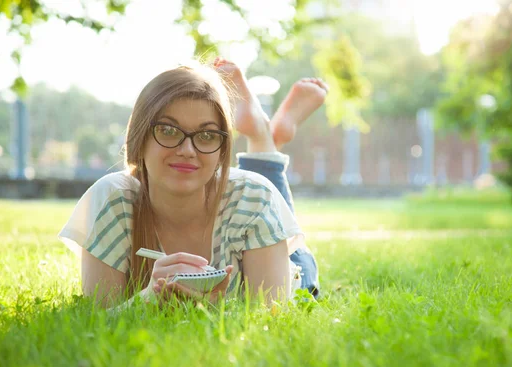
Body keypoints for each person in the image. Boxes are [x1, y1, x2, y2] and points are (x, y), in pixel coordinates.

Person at [59, 58, 328, 308]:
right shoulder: (112, 201)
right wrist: (149, 298)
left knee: (300, 267)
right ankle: (266, 135)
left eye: (207, 135)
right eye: (168, 130)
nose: (187, 149)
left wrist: (212, 308)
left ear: (223, 150)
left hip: (287, 266)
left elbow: (272, 314)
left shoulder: (254, 197)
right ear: (139, 138)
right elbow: (98, 321)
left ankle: (262, 134)